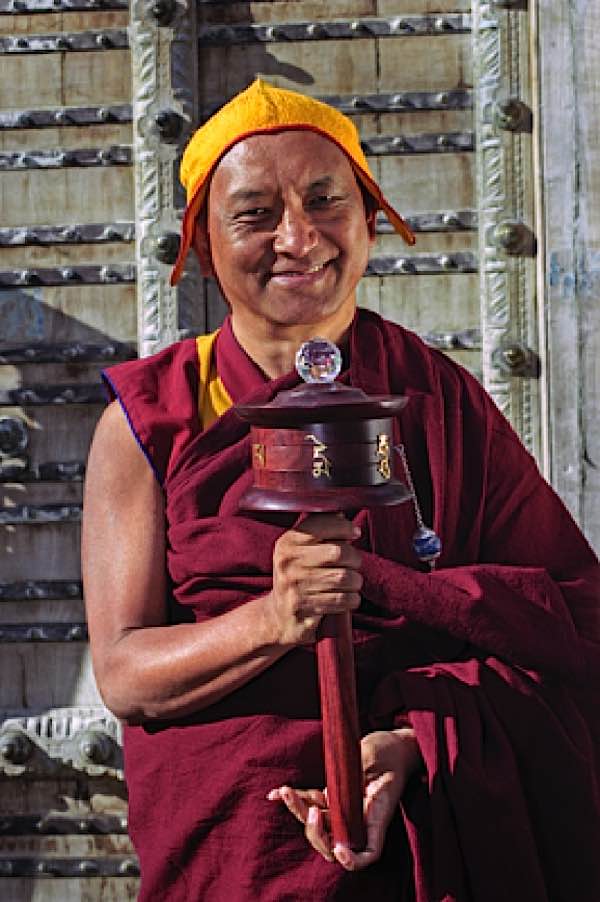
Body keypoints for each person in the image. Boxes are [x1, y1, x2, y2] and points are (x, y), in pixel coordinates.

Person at [82, 79, 600, 901]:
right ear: (204, 244)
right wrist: (273, 617)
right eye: (254, 214)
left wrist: (412, 743)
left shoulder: (437, 396)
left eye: (326, 201)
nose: (299, 237)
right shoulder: (158, 416)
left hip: (432, 836)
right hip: (239, 858)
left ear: (368, 219)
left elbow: (569, 615)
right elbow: (125, 672)